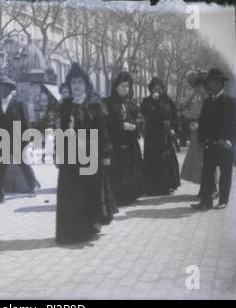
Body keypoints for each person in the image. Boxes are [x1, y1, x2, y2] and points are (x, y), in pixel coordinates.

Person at [55, 63, 116, 245]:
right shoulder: (64, 106)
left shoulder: (95, 105)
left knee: (89, 192)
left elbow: (104, 131)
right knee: (70, 193)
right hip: (69, 156)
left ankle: (88, 228)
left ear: (86, 84)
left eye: (80, 82)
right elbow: (58, 131)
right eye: (73, 82)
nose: (76, 86)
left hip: (91, 154)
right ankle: (69, 232)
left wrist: (105, 154)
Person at [0, 76, 39, 204]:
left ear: (9, 89)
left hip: (18, 139)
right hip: (2, 140)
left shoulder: (19, 103)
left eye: (2, 88)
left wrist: (29, 142)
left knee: (24, 164)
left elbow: (26, 122)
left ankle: (33, 186)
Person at [191, 68, 236, 210]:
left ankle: (223, 200)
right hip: (210, 144)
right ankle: (205, 202)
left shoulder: (231, 102)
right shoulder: (207, 102)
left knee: (225, 172)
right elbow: (203, 122)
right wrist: (202, 140)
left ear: (221, 83)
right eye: (209, 82)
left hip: (224, 144)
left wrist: (229, 141)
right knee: (207, 173)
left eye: (213, 82)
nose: (210, 85)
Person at [103, 72, 145, 206]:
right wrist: (121, 125)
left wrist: (136, 124)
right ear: (116, 87)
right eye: (122, 86)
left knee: (130, 168)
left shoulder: (131, 103)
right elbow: (105, 121)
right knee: (116, 169)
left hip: (129, 141)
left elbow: (139, 118)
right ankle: (117, 197)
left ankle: (130, 196)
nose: (125, 89)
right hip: (115, 141)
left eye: (127, 86)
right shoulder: (108, 103)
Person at [180, 71, 219, 200]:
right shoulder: (199, 98)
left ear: (201, 86)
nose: (193, 88)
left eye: (195, 86)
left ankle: (213, 188)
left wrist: (196, 120)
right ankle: (205, 187)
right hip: (196, 135)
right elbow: (190, 111)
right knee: (200, 162)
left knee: (207, 162)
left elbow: (209, 118)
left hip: (204, 135)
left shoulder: (209, 98)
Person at [140, 77, 181, 196]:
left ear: (163, 89)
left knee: (166, 160)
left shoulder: (168, 100)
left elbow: (175, 115)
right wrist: (152, 101)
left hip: (165, 135)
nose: (157, 90)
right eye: (154, 88)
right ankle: (152, 187)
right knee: (153, 160)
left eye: (159, 88)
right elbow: (144, 112)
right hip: (152, 136)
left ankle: (168, 185)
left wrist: (173, 127)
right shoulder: (147, 101)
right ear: (151, 90)